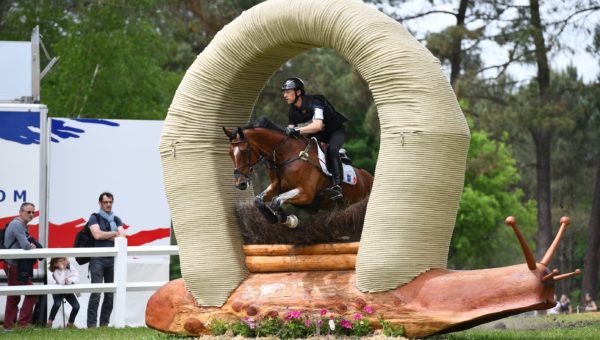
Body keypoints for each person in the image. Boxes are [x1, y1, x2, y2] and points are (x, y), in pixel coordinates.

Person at [281, 77, 348, 200]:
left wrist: (295, 130)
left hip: (335, 132)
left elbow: (317, 125)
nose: (285, 95)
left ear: (298, 92)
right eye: (283, 92)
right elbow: (289, 133)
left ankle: (338, 186)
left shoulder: (316, 102)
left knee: (332, 150)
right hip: (318, 135)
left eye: (288, 91)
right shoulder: (292, 110)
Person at [86, 192, 125, 328]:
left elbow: (123, 238)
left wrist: (107, 235)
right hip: (97, 259)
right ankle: (91, 326)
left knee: (110, 294)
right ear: (100, 203)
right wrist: (114, 233)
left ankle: (104, 325)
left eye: (110, 202)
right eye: (105, 202)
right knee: (96, 293)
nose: (108, 204)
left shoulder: (117, 219)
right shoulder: (94, 217)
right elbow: (96, 235)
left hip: (113, 260)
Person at [2, 202, 40, 331]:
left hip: (13, 264)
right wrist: (32, 245)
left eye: (32, 212)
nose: (31, 214)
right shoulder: (17, 225)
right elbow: (25, 245)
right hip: (14, 265)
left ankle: (8, 326)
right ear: (20, 212)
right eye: (28, 212)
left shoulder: (20, 224)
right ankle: (22, 324)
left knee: (14, 296)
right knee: (31, 293)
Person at [47, 257, 80, 328]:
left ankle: (70, 323)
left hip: (68, 291)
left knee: (76, 306)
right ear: (55, 264)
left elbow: (76, 278)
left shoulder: (71, 267)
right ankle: (50, 322)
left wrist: (68, 280)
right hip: (58, 292)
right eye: (60, 261)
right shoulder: (56, 272)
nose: (63, 262)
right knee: (57, 304)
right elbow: (61, 282)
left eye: (64, 260)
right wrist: (62, 270)